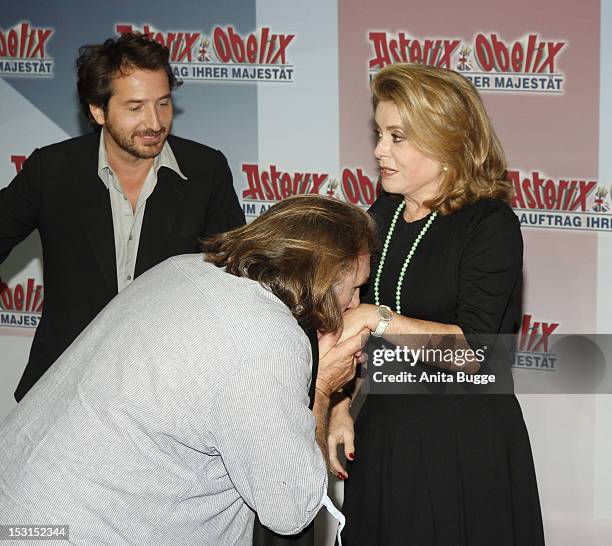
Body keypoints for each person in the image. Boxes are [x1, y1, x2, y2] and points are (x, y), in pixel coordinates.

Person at [0, 195, 376, 545]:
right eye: (355, 288)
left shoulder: (185, 267)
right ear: (324, 278)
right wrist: (324, 386)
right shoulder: (264, 339)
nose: (356, 304)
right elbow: (292, 509)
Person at [328, 63, 545, 545]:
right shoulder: (381, 212)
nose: (380, 150)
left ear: (447, 142)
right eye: (380, 133)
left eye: (398, 136)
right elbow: (347, 325)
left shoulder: (489, 224)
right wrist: (339, 407)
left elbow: (476, 352)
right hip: (384, 435)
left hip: (461, 446)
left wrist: (378, 318)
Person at [0, 32, 245, 401]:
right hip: (63, 390)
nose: (155, 122)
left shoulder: (206, 170)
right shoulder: (51, 171)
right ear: (98, 111)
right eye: (135, 108)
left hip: (167, 393)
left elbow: (237, 282)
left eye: (163, 104)